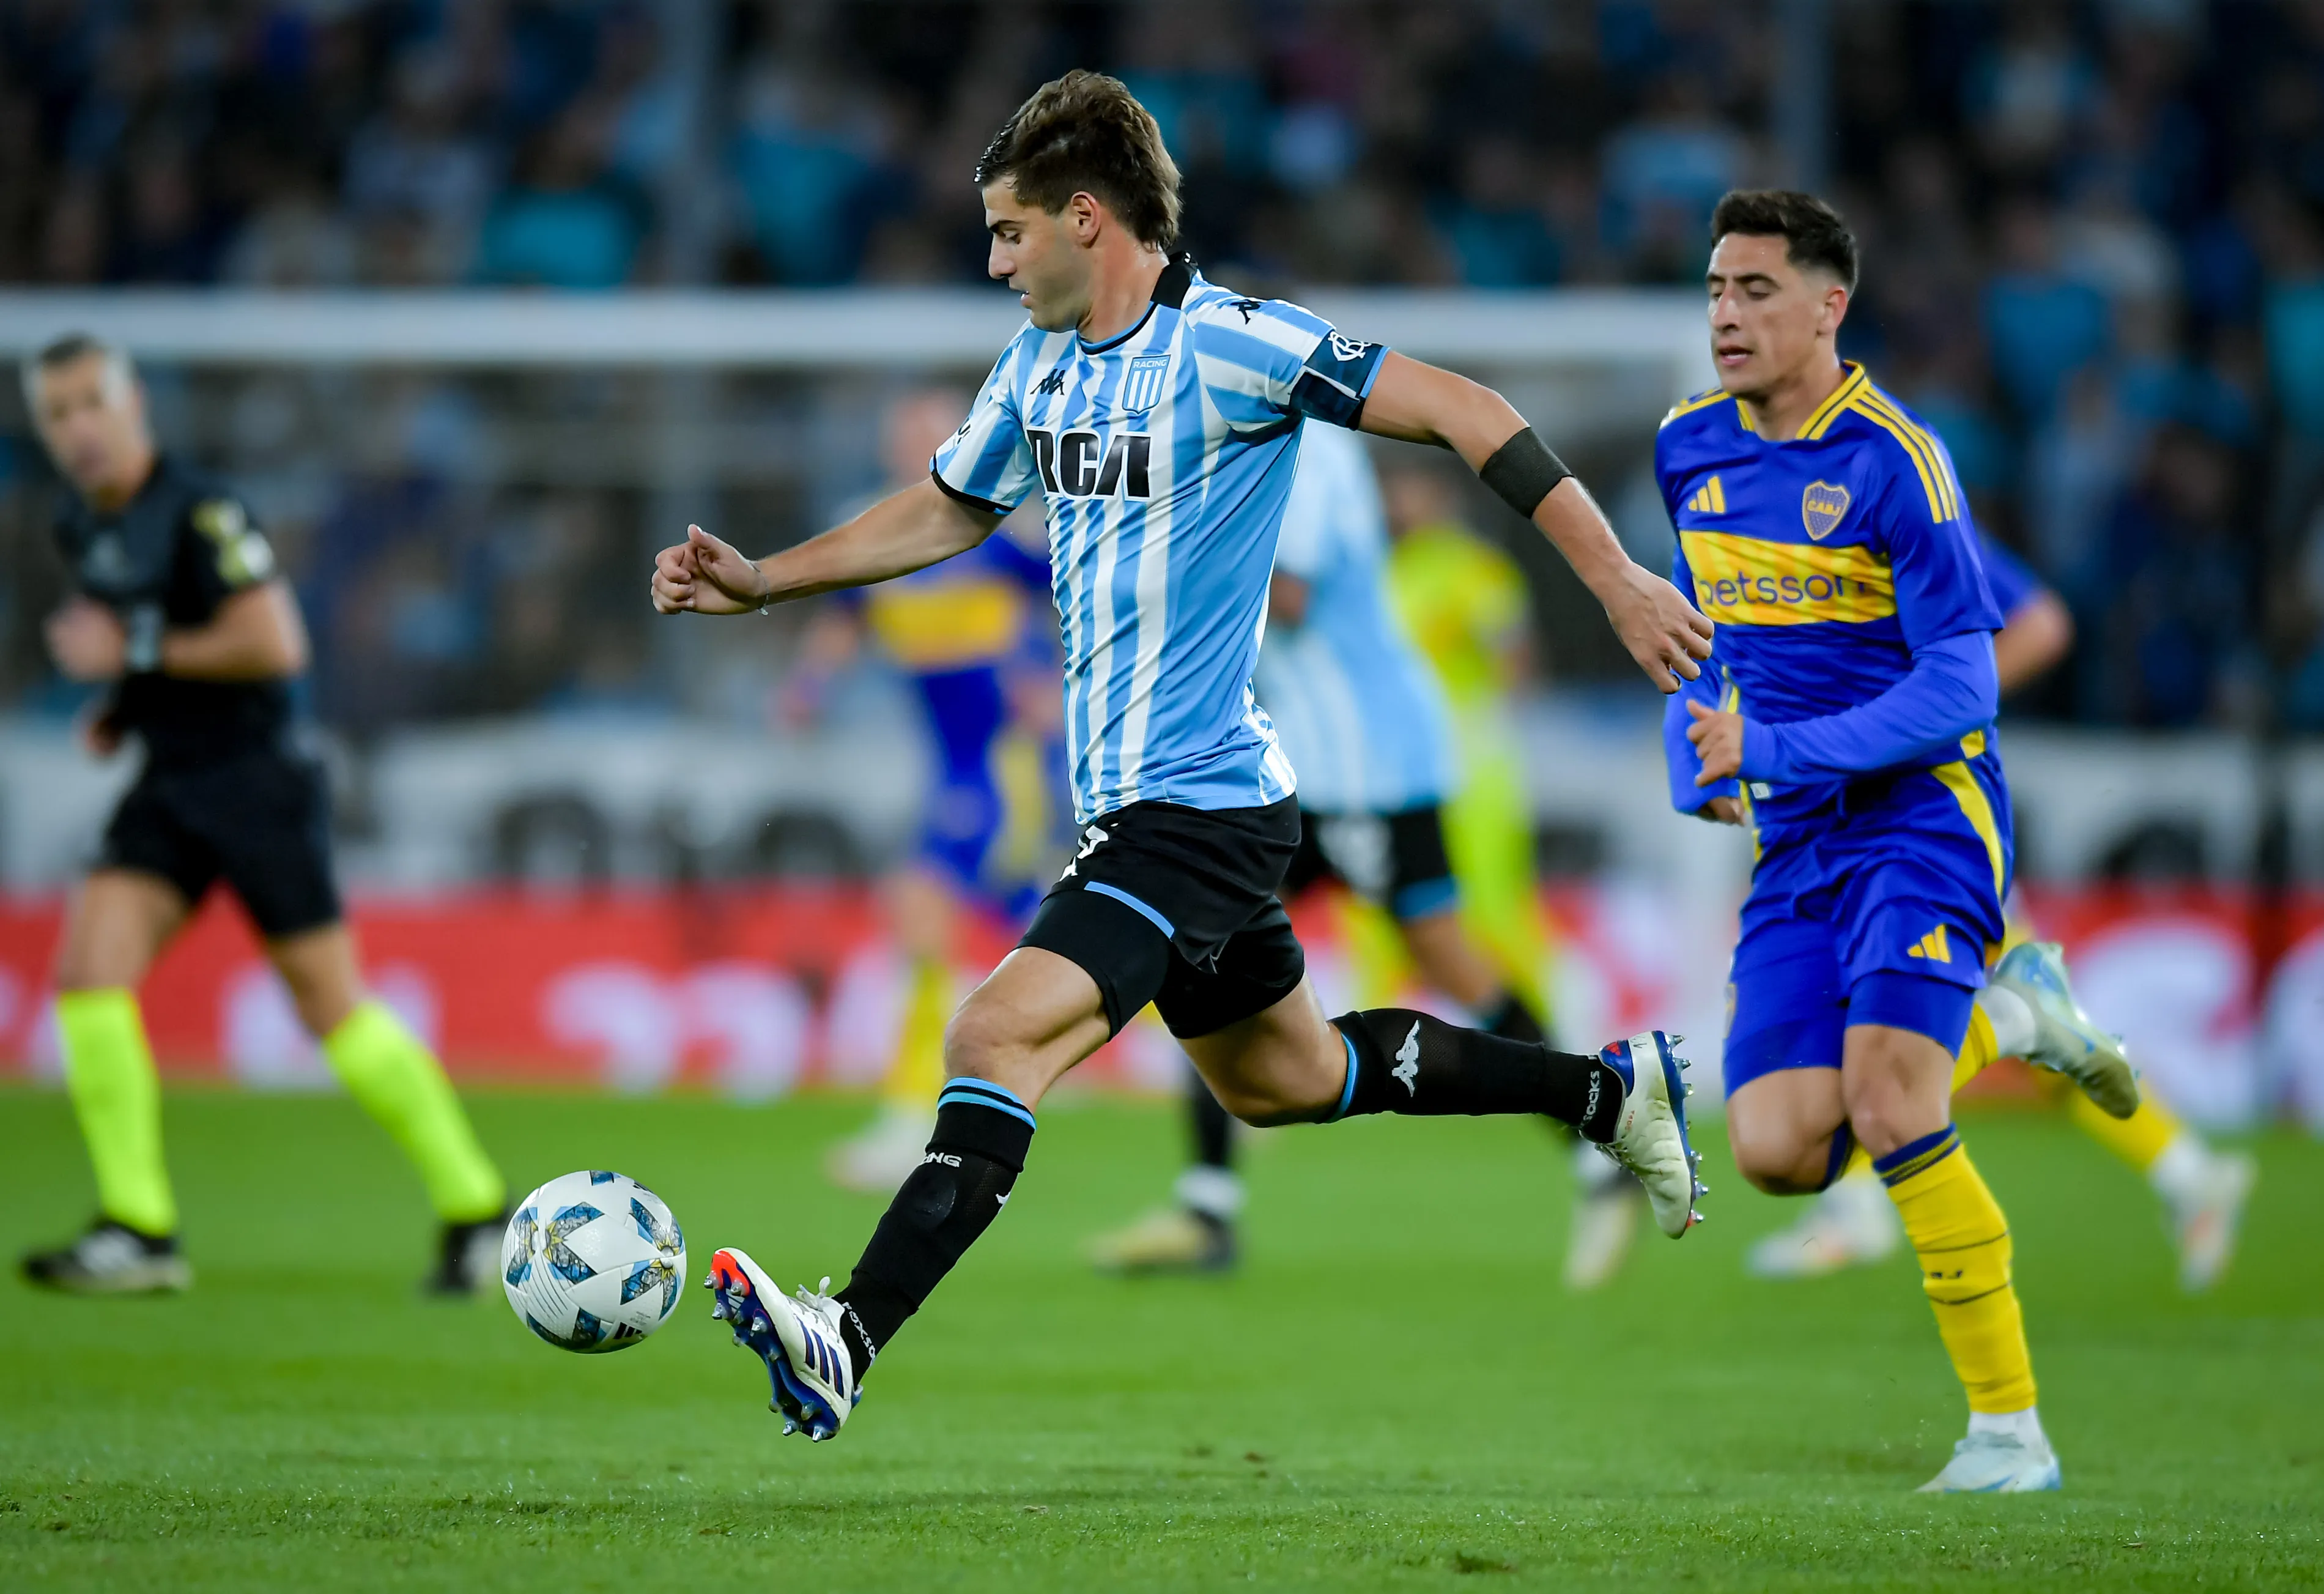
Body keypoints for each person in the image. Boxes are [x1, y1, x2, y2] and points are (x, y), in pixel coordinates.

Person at [651, 70, 1712, 1443]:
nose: (992, 262)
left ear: (1084, 218)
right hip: (1162, 809)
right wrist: (770, 582)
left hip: (1193, 810)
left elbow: (1465, 408)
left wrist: (1619, 579)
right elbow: (947, 507)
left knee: (991, 1032)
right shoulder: (1035, 368)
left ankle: (845, 1334)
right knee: (1288, 1082)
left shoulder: (1239, 348)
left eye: (1007, 233)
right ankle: (1605, 1090)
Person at [1662, 190, 2138, 1493]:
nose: (1724, 314)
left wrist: (1772, 751)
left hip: (1923, 817)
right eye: (1715, 289)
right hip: (1796, 839)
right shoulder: (1686, 447)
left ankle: (2008, 1434)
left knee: (1889, 1099)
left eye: (1756, 291)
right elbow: (1706, 642)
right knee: (1774, 1151)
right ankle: (2020, 1020)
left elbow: (1962, 687)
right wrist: (1690, 747)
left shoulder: (1896, 460)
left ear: (1829, 307)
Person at [18, 333, 506, 1296]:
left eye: (90, 403)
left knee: (333, 1010)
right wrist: (121, 706)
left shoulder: (202, 509)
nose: (78, 427)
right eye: (57, 411)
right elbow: (150, 655)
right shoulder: (81, 523)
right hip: (169, 781)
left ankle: (477, 1210)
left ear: (133, 406)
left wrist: (137, 650)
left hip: (257, 781)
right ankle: (140, 1227)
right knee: (86, 974)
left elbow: (274, 643)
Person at [1083, 420, 1561, 1275]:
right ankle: (1207, 1208)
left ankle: (1601, 1122)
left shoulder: (1304, 448)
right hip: (1305, 763)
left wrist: (1150, 563)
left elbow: (1290, 596)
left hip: (1365, 765)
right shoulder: (1245, 450)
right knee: (1203, 940)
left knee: (1447, 959)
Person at [1745, 530, 2258, 1290]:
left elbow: (2042, 623)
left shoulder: (1894, 500)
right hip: (1852, 822)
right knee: (1994, 1017)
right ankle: (2187, 1171)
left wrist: (1927, 712)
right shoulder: (1774, 520)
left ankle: (1856, 1205)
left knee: (1939, 1016)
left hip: (1928, 821)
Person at [791, 388, 1061, 1194]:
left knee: (922, 905)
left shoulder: (998, 526)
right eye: (903, 431)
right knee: (1056, 934)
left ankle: (913, 1118)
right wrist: (809, 684)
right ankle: (1228, 1056)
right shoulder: (881, 533)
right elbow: (844, 616)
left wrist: (1058, 684)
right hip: (955, 764)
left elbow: (1078, 598)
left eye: (931, 431)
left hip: (1008, 761)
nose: (917, 444)